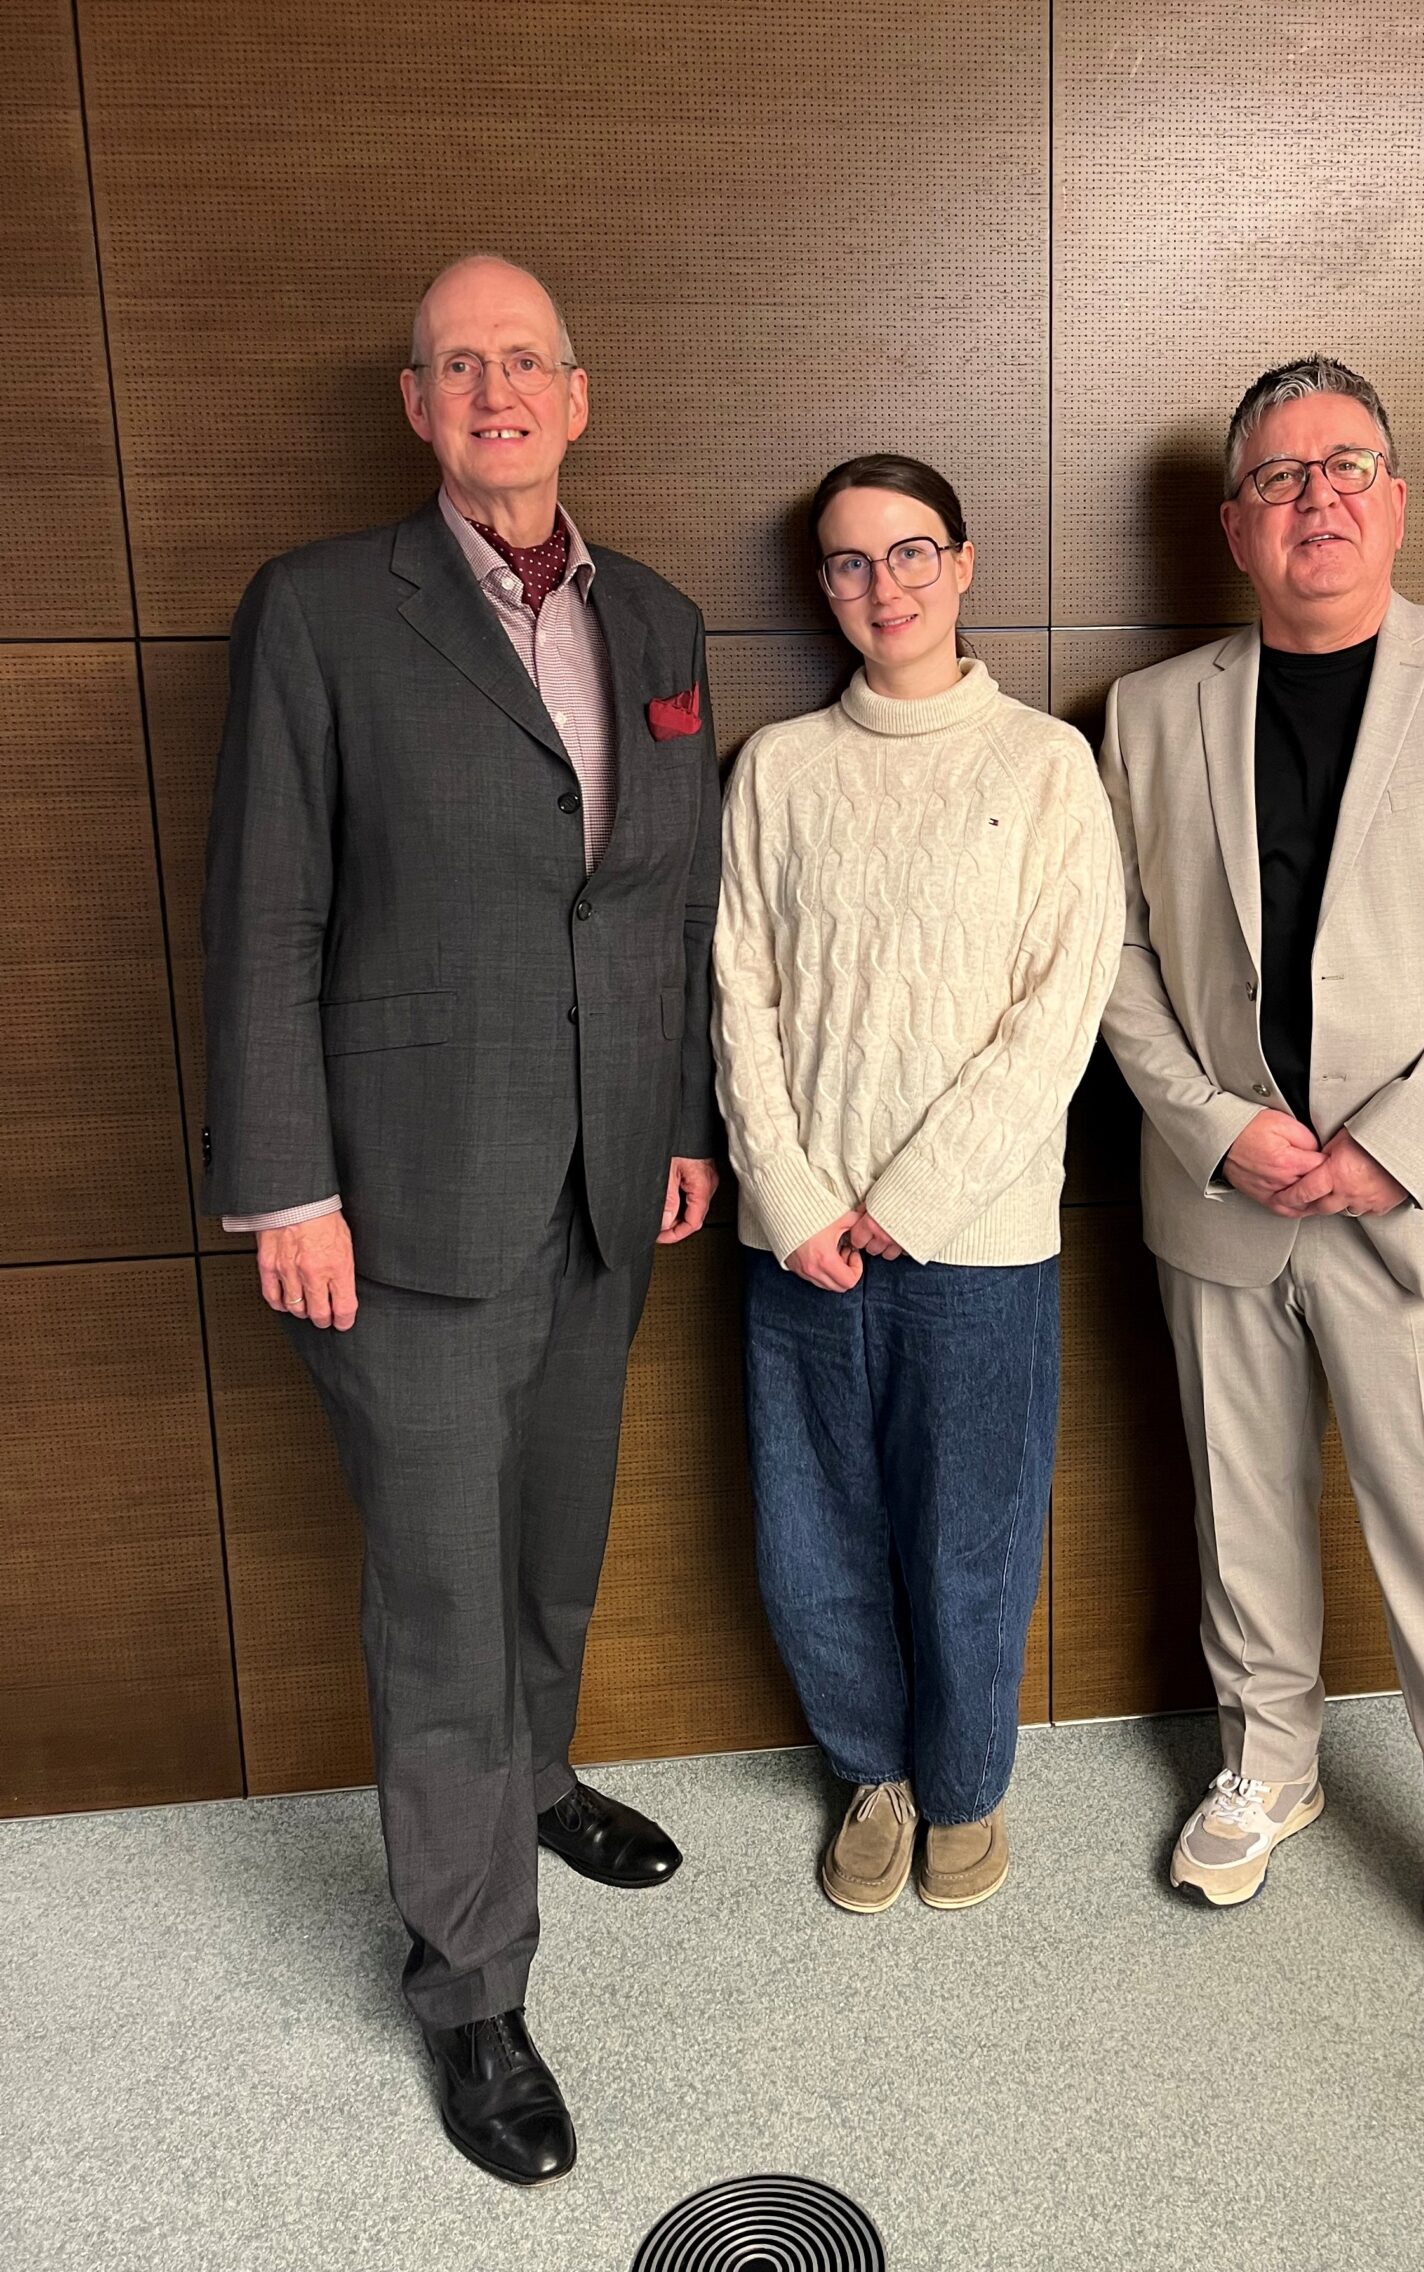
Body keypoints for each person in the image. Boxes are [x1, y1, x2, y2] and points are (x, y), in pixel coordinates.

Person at [202, 255, 723, 2180]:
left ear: (578, 396)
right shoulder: (322, 608)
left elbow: (671, 902)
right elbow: (266, 910)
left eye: (526, 361)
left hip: (608, 1184)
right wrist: (288, 1183)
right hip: (402, 1196)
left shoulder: (656, 618)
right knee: (438, 1599)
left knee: (554, 1546)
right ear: (416, 406)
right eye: (457, 366)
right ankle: (473, 1984)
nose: (496, 392)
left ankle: (540, 1775)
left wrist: (681, 1123)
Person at [1098, 356, 1424, 2069]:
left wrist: (1393, 1145)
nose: (1317, 496)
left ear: (1395, 501)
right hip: (1225, 1192)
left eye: (1348, 466)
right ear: (1235, 524)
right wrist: (1218, 1126)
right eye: (1280, 474)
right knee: (1242, 1510)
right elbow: (1114, 954)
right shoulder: (1148, 714)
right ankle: (1269, 1765)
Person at [712, 454, 1122, 1916]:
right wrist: (793, 1196)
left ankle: (964, 1784)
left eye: (909, 553)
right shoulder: (778, 769)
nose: (881, 586)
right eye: (847, 561)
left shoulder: (1043, 765)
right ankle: (871, 1773)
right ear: (821, 587)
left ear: (962, 563)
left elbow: (1059, 1010)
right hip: (803, 1239)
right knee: (809, 1532)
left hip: (979, 1238)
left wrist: (917, 1199)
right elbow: (740, 994)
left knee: (971, 1536)